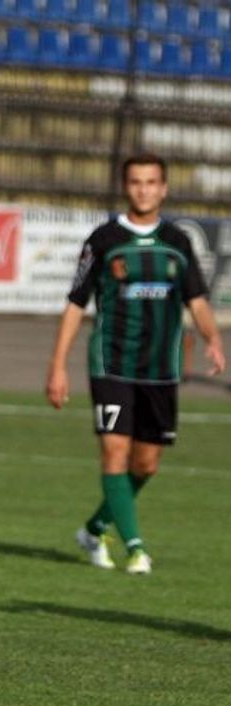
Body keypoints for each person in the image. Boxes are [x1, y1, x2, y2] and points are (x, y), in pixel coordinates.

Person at [45, 152, 225, 575]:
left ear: (163, 188)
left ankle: (94, 528)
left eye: (151, 182)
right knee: (114, 450)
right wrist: (57, 365)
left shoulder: (178, 242)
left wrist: (214, 339)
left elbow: (196, 299)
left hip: (161, 369)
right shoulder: (104, 239)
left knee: (146, 464)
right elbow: (75, 305)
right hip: (111, 363)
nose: (143, 189)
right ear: (126, 187)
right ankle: (136, 548)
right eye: (136, 182)